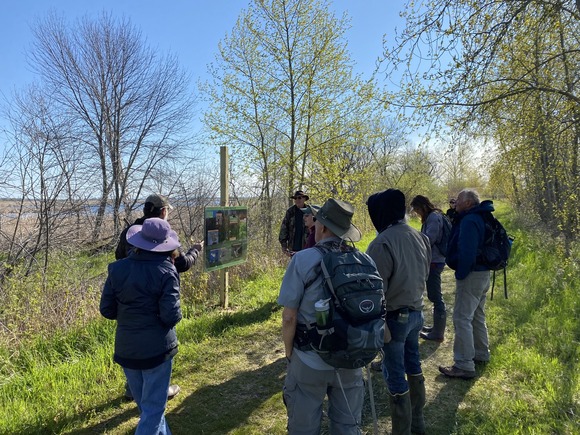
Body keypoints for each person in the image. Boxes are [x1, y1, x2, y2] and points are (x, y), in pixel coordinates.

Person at [278, 198, 365, 434]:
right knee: (348, 427)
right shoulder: (363, 260)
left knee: (303, 426)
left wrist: (289, 354)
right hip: (351, 356)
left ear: (323, 227)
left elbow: (289, 317)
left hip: (310, 359)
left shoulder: (303, 260)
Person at [115, 193, 203, 401]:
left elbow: (119, 258)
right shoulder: (165, 235)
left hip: (128, 302)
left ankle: (134, 387)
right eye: (167, 211)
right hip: (156, 304)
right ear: (163, 211)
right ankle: (159, 389)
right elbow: (181, 264)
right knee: (158, 344)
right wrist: (196, 250)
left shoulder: (129, 232)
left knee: (133, 339)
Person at [101, 218, 182, 435]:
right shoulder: (166, 271)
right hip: (157, 349)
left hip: (127, 347)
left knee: (148, 409)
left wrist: (131, 315)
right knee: (153, 410)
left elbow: (107, 310)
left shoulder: (117, 269)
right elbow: (171, 315)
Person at [366, 189, 431, 435]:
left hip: (394, 318)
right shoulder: (419, 236)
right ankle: (418, 425)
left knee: (395, 374)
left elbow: (376, 289)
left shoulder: (382, 242)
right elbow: (425, 273)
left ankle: (403, 430)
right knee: (413, 364)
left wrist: (376, 320)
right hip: (416, 312)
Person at [439, 189, 493, 380]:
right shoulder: (477, 216)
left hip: (472, 274)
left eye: (459, 199)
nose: (456, 202)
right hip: (483, 273)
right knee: (477, 315)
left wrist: (461, 274)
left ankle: (463, 364)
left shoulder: (470, 221)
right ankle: (480, 353)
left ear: (469, 202)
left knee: (462, 318)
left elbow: (467, 251)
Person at [410, 195, 448, 342]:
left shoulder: (433, 217)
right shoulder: (433, 216)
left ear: (424, 206)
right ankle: (436, 328)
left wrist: (415, 239)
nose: (418, 213)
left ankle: (438, 333)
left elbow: (429, 239)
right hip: (434, 260)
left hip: (435, 261)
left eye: (418, 209)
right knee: (434, 295)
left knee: (435, 296)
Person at [279, 190, 309, 257]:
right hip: (293, 247)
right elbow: (284, 228)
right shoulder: (290, 211)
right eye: (295, 198)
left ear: (304, 199)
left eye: (299, 198)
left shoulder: (309, 211)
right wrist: (284, 245)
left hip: (307, 248)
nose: (297, 200)